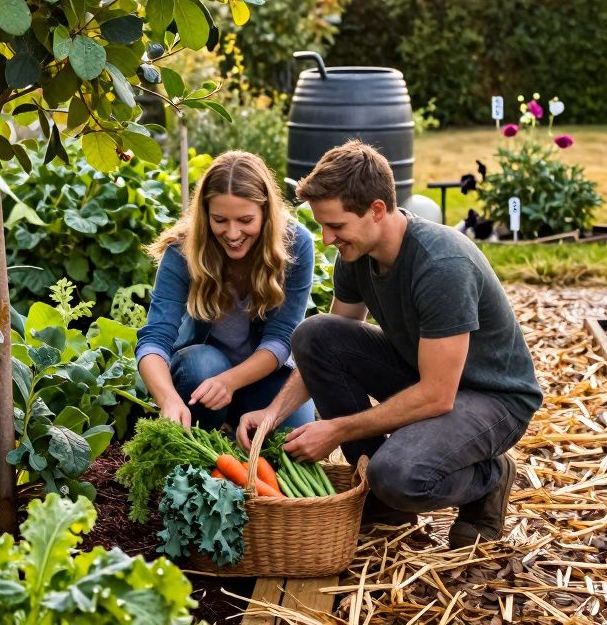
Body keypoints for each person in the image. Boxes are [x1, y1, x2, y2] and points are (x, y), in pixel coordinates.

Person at [237, 141, 541, 548]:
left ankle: (488, 479)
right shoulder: (356, 253)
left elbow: (436, 396)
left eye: (337, 226)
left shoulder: (440, 266)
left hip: (493, 398)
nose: (327, 239)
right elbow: (328, 344)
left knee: (398, 474)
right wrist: (273, 413)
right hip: (428, 373)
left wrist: (335, 430)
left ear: (376, 210)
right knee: (314, 334)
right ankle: (385, 501)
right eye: (323, 226)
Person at [136, 151, 317, 432]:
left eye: (245, 220)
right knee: (203, 364)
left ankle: (236, 431)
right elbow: (154, 339)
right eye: (220, 220)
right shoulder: (183, 250)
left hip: (266, 375)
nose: (232, 234)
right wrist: (168, 399)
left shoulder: (295, 244)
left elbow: (281, 338)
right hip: (204, 376)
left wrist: (230, 381)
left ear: (266, 212)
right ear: (205, 214)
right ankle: (206, 436)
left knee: (290, 436)